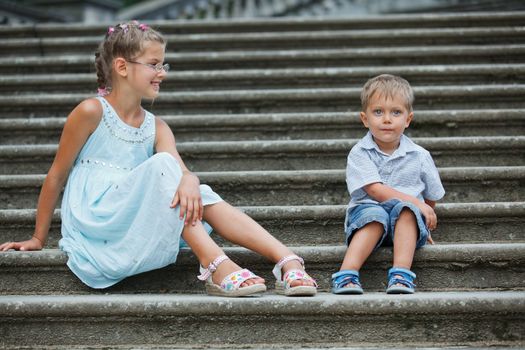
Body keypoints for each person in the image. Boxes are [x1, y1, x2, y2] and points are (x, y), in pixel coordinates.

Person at [0, 21, 317, 297]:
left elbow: (180, 172)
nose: (162, 73)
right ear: (123, 67)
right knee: (166, 171)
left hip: (134, 212)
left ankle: (286, 259)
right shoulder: (90, 111)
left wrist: (190, 178)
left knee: (196, 191)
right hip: (97, 219)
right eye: (154, 64)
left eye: (164, 65)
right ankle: (217, 264)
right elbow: (57, 175)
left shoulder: (157, 126)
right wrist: (38, 237)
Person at [331, 74, 445, 295]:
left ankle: (401, 275)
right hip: (367, 216)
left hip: (405, 222)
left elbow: (431, 196)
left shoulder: (420, 156)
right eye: (378, 112)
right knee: (375, 214)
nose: (386, 119)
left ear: (408, 119)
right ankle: (346, 274)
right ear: (365, 119)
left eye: (396, 112)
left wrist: (425, 217)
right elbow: (374, 190)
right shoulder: (360, 152)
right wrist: (418, 203)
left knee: (408, 211)